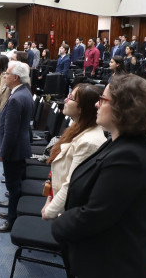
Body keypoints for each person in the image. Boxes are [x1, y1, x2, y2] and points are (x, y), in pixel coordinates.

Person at [51, 74, 146, 278]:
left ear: (124, 108)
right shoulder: (118, 142)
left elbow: (97, 214)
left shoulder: (128, 155)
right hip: (101, 259)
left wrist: (60, 223)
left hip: (110, 270)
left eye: (103, 99)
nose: (97, 104)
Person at [42, 84, 106, 220]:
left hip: (68, 212)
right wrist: (49, 197)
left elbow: (72, 184)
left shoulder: (89, 142)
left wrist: (50, 210)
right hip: (60, 202)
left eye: (70, 98)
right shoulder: (77, 126)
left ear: (82, 108)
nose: (65, 100)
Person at [0, 61, 34, 233]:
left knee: (13, 186)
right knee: (15, 185)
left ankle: (12, 221)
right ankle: (14, 213)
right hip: (19, 146)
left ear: (15, 77)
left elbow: (11, 132)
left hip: (13, 150)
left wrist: (3, 152)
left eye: (7, 74)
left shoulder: (17, 99)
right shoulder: (23, 92)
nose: (4, 76)